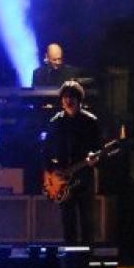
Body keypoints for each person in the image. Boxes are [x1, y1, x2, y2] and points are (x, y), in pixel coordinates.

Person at [43, 80, 102, 246]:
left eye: (72, 97)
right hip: (62, 180)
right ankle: (71, 257)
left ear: (79, 99)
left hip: (84, 177)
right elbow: (45, 151)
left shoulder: (90, 121)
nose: (68, 100)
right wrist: (52, 171)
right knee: (68, 221)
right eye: (65, 97)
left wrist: (93, 159)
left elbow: (98, 149)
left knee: (87, 220)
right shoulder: (56, 122)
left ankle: (87, 257)